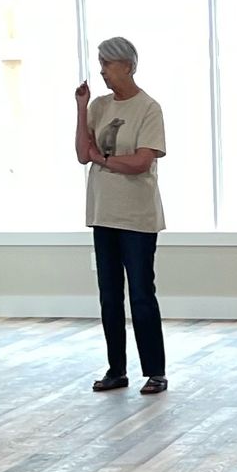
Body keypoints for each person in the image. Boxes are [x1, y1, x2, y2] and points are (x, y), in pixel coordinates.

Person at [75, 37, 168, 396]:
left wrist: (103, 159)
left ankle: (155, 371)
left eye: (108, 64)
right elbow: (83, 153)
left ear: (127, 66)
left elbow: (141, 161)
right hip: (103, 213)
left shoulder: (148, 108)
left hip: (137, 218)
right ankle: (117, 369)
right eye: (100, 63)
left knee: (142, 294)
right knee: (109, 295)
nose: (102, 71)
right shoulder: (98, 105)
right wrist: (82, 108)